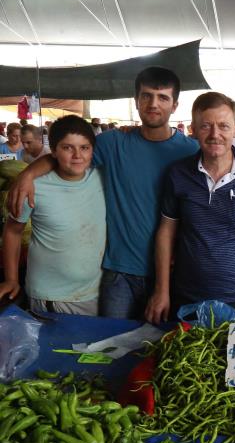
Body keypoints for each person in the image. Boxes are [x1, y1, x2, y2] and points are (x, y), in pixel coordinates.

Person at [8, 66, 200, 319]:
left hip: (172, 273)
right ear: (136, 100)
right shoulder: (113, 143)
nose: (153, 104)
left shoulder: (191, 152)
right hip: (118, 272)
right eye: (146, 96)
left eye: (162, 97)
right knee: (109, 340)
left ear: (175, 105)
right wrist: (28, 174)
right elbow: (69, 153)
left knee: (166, 340)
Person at [145, 93, 235, 322]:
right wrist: (161, 290)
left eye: (223, 126)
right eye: (206, 126)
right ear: (193, 129)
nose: (215, 134)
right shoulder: (178, 173)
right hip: (187, 298)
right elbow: (166, 233)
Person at [0, 115, 105, 315]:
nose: (77, 155)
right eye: (67, 148)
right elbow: (12, 231)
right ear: (54, 151)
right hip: (51, 297)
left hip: (95, 292)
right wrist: (11, 279)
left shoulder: (101, 177)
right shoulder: (32, 188)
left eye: (84, 147)